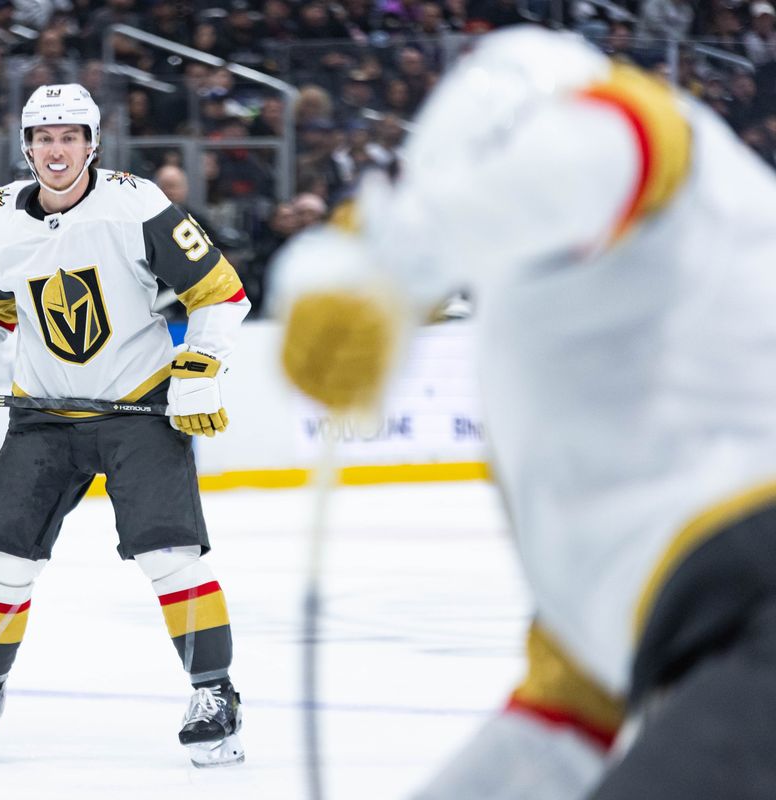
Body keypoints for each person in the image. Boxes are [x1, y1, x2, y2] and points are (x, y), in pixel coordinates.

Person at [275, 27, 776, 800]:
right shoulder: (545, 345)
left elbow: (598, 155)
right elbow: (563, 725)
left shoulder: (652, 145)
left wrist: (384, 262)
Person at [0, 83, 251, 767]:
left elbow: (220, 292)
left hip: (136, 407)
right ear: (26, 147)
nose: (57, 150)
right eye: (45, 138)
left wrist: (201, 365)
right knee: (1, 562)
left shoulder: (136, 203)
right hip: (44, 413)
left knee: (170, 557)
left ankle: (214, 694)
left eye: (70, 136)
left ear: (93, 144)